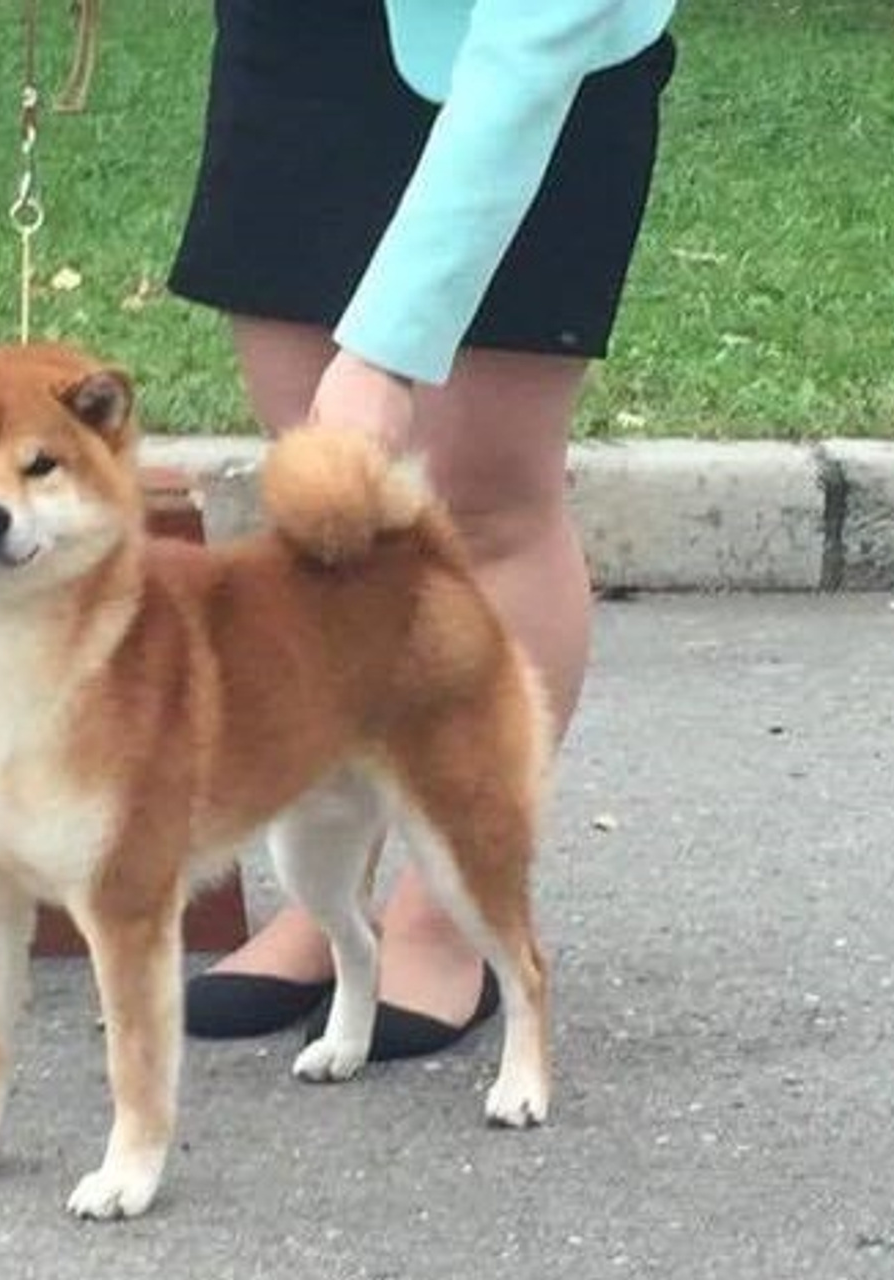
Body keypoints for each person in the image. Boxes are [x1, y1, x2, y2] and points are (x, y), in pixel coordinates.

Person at [168, 0, 678, 1060]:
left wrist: (392, 351)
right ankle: (327, 899)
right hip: (305, 43)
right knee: (320, 494)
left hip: (528, 50)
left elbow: (534, 38)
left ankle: (449, 904)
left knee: (482, 501)